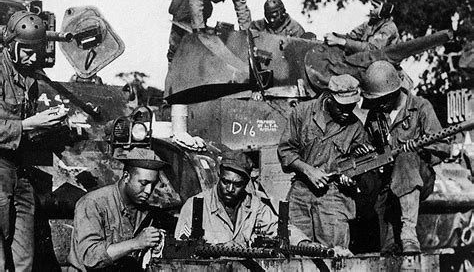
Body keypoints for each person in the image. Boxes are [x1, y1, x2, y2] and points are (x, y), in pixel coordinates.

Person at [0, 11, 68, 272]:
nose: (33, 57)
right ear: (12, 45)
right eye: (27, 50)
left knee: (25, 254)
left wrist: (48, 122)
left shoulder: (29, 77)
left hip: (21, 169)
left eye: (37, 50)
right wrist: (29, 125)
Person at [360, 60, 449, 255]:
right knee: (387, 250)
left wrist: (420, 151)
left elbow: (443, 147)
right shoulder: (376, 115)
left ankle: (409, 234)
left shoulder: (421, 107)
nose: (378, 105)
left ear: (394, 92)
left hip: (419, 177)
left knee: (406, 156)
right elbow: (368, 147)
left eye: (382, 100)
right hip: (388, 182)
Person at [277, 74, 367, 254]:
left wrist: (349, 177)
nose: (347, 112)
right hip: (300, 192)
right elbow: (286, 151)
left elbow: (357, 165)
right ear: (328, 97)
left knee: (335, 255)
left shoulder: (355, 128)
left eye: (352, 106)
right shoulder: (302, 112)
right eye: (342, 107)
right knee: (295, 251)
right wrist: (308, 170)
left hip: (333, 196)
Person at [175, 149, 313, 248]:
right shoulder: (195, 206)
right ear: (218, 175)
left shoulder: (254, 206)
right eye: (225, 182)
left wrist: (303, 243)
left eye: (237, 184)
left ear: (247, 183)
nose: (229, 189)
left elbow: (278, 228)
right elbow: (179, 249)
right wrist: (218, 248)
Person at [68, 148, 169, 271]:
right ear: (126, 177)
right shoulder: (93, 203)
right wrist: (135, 243)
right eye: (143, 183)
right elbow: (90, 257)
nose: (148, 191)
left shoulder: (146, 211)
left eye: (152, 185)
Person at [167, 0, 252, 62]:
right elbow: (196, 0)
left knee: (198, 44)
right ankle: (172, 61)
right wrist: (199, 31)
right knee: (179, 35)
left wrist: (246, 37)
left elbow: (242, 9)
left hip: (203, 0)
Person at [324, 0, 400, 54]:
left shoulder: (389, 28)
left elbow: (372, 49)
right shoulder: (369, 24)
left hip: (382, 66)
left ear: (384, 10)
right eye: (371, 5)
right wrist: (335, 36)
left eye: (375, 6)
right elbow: (352, 36)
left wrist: (341, 41)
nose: (370, 8)